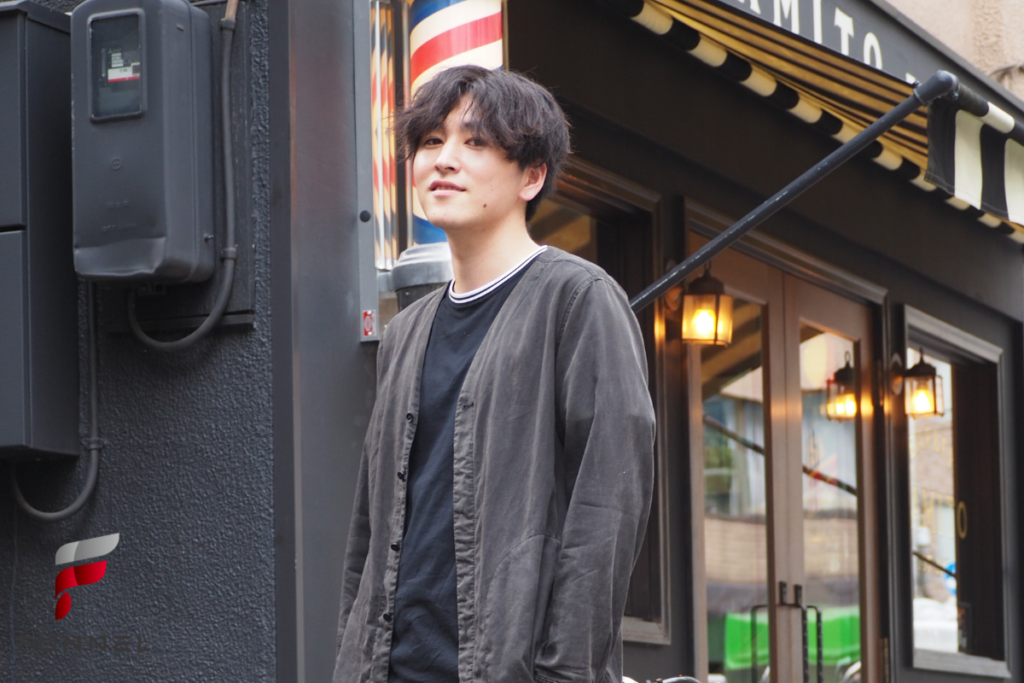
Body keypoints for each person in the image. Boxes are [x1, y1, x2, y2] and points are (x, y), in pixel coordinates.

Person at [333, 65, 655, 683]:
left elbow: (608, 506)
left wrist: (565, 673)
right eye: (431, 141)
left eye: (475, 142)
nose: (444, 160)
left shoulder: (577, 299)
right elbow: (369, 533)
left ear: (531, 176)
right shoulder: (405, 333)